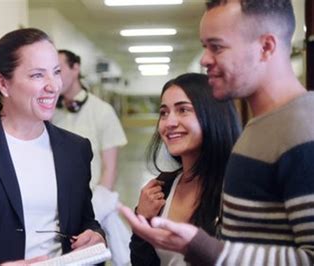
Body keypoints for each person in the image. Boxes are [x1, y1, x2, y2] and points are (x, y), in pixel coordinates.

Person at [120, 0, 314, 265]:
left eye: (217, 47)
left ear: (266, 47)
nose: (204, 59)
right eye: (204, 47)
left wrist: (203, 248)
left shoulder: (305, 130)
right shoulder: (257, 132)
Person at [0, 28, 106, 266]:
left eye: (56, 72)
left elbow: (85, 219)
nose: (53, 86)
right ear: (3, 84)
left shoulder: (75, 149)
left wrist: (95, 234)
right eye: (37, 75)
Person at [129, 73, 241, 265]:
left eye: (183, 110)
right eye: (164, 112)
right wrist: (143, 220)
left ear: (212, 115)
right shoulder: (161, 189)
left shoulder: (236, 190)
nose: (169, 122)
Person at [52, 49, 129, 265]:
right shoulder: (50, 112)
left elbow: (110, 168)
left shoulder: (102, 111)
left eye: (59, 70)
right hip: (55, 211)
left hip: (90, 207)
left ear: (76, 68)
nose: (54, 78)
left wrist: (94, 210)